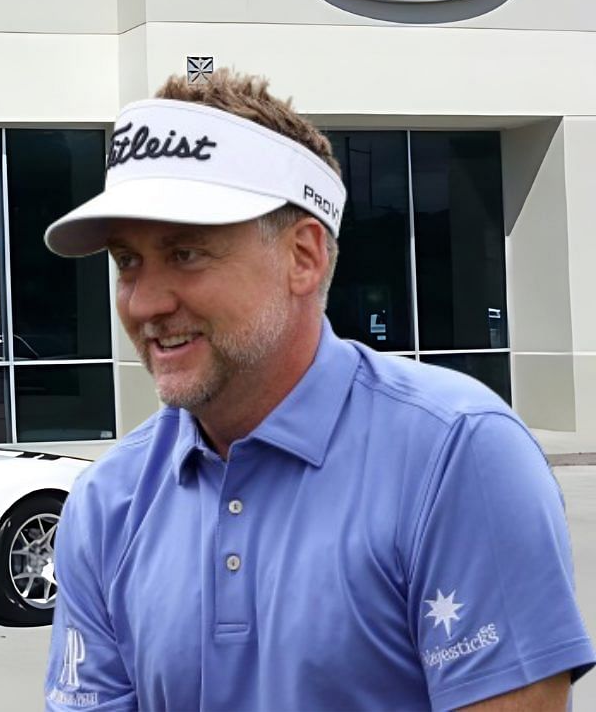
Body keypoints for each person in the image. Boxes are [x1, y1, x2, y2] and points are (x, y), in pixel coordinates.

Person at [41, 70, 594, 710]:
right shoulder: (107, 502)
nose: (144, 302)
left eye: (187, 253)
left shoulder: (454, 454)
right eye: (127, 261)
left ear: (304, 257)